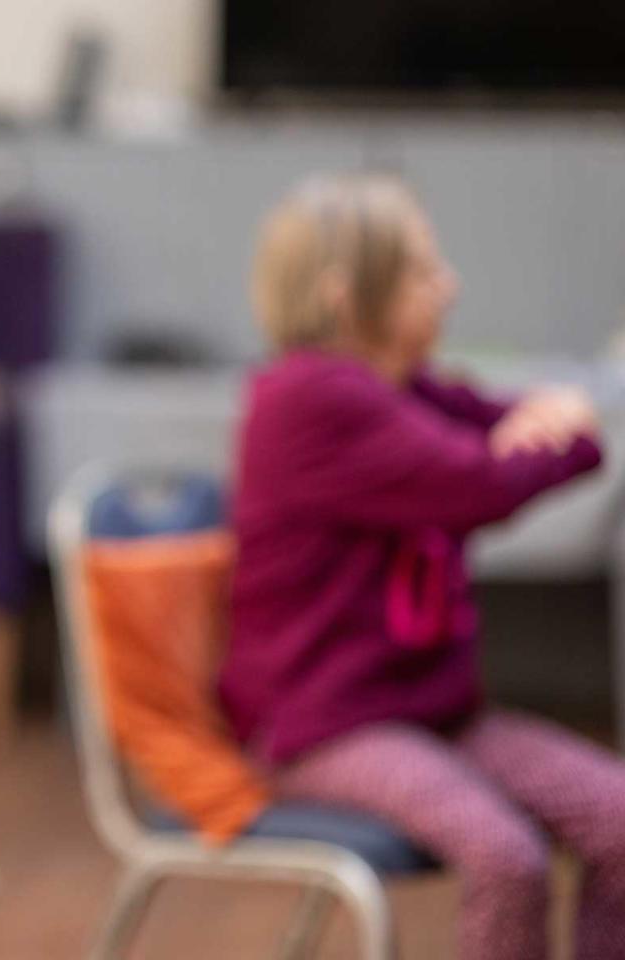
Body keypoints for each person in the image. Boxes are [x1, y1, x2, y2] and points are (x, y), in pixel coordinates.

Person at [219, 171, 625, 960]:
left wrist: (549, 424)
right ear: (345, 297)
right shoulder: (313, 398)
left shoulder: (400, 388)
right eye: (423, 272)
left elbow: (496, 428)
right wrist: (568, 430)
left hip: (433, 716)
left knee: (617, 820)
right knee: (507, 860)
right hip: (327, 727)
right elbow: (481, 481)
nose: (451, 287)